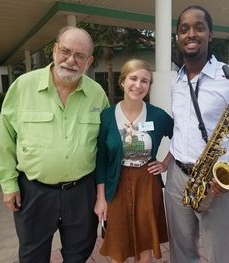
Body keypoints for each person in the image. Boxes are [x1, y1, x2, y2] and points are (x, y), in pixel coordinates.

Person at [0, 26, 109, 262]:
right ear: (54, 50)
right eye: (65, 51)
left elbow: (105, 147)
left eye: (80, 56)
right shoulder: (24, 86)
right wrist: (8, 183)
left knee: (79, 253)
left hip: (81, 192)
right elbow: (4, 138)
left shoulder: (97, 94)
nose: (71, 60)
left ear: (89, 61)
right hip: (34, 191)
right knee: (33, 255)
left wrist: (103, 194)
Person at [165, 5, 229, 263]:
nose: (191, 34)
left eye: (199, 27)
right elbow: (181, 128)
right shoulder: (177, 80)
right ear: (177, 37)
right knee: (181, 252)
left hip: (214, 183)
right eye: (183, 29)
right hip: (177, 178)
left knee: (218, 254)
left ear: (210, 35)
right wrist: (169, 157)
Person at [94, 58, 173, 263]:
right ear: (123, 81)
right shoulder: (107, 116)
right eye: (133, 78)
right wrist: (101, 198)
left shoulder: (158, 116)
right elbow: (101, 159)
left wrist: (165, 162)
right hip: (115, 184)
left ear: (149, 86)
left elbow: (182, 138)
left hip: (147, 183)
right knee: (118, 244)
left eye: (145, 81)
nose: (138, 85)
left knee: (144, 243)